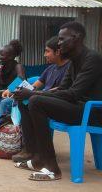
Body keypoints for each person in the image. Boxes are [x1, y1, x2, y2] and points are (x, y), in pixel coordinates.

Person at [13, 21, 102, 181]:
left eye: (62, 39)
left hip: (92, 112)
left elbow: (73, 94)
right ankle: (36, 156)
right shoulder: (73, 61)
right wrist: (31, 93)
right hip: (77, 108)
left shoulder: (92, 59)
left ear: (77, 38)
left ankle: (52, 168)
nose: (59, 44)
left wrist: (33, 94)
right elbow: (62, 90)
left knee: (36, 101)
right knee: (29, 101)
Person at [0, 36, 70, 117]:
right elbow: (33, 86)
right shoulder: (50, 69)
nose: (45, 55)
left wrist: (33, 93)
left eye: (47, 51)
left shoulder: (69, 68)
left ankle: (11, 126)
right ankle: (14, 127)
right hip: (40, 98)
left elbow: (61, 90)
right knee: (16, 99)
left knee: (7, 103)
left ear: (57, 52)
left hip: (53, 102)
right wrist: (13, 90)